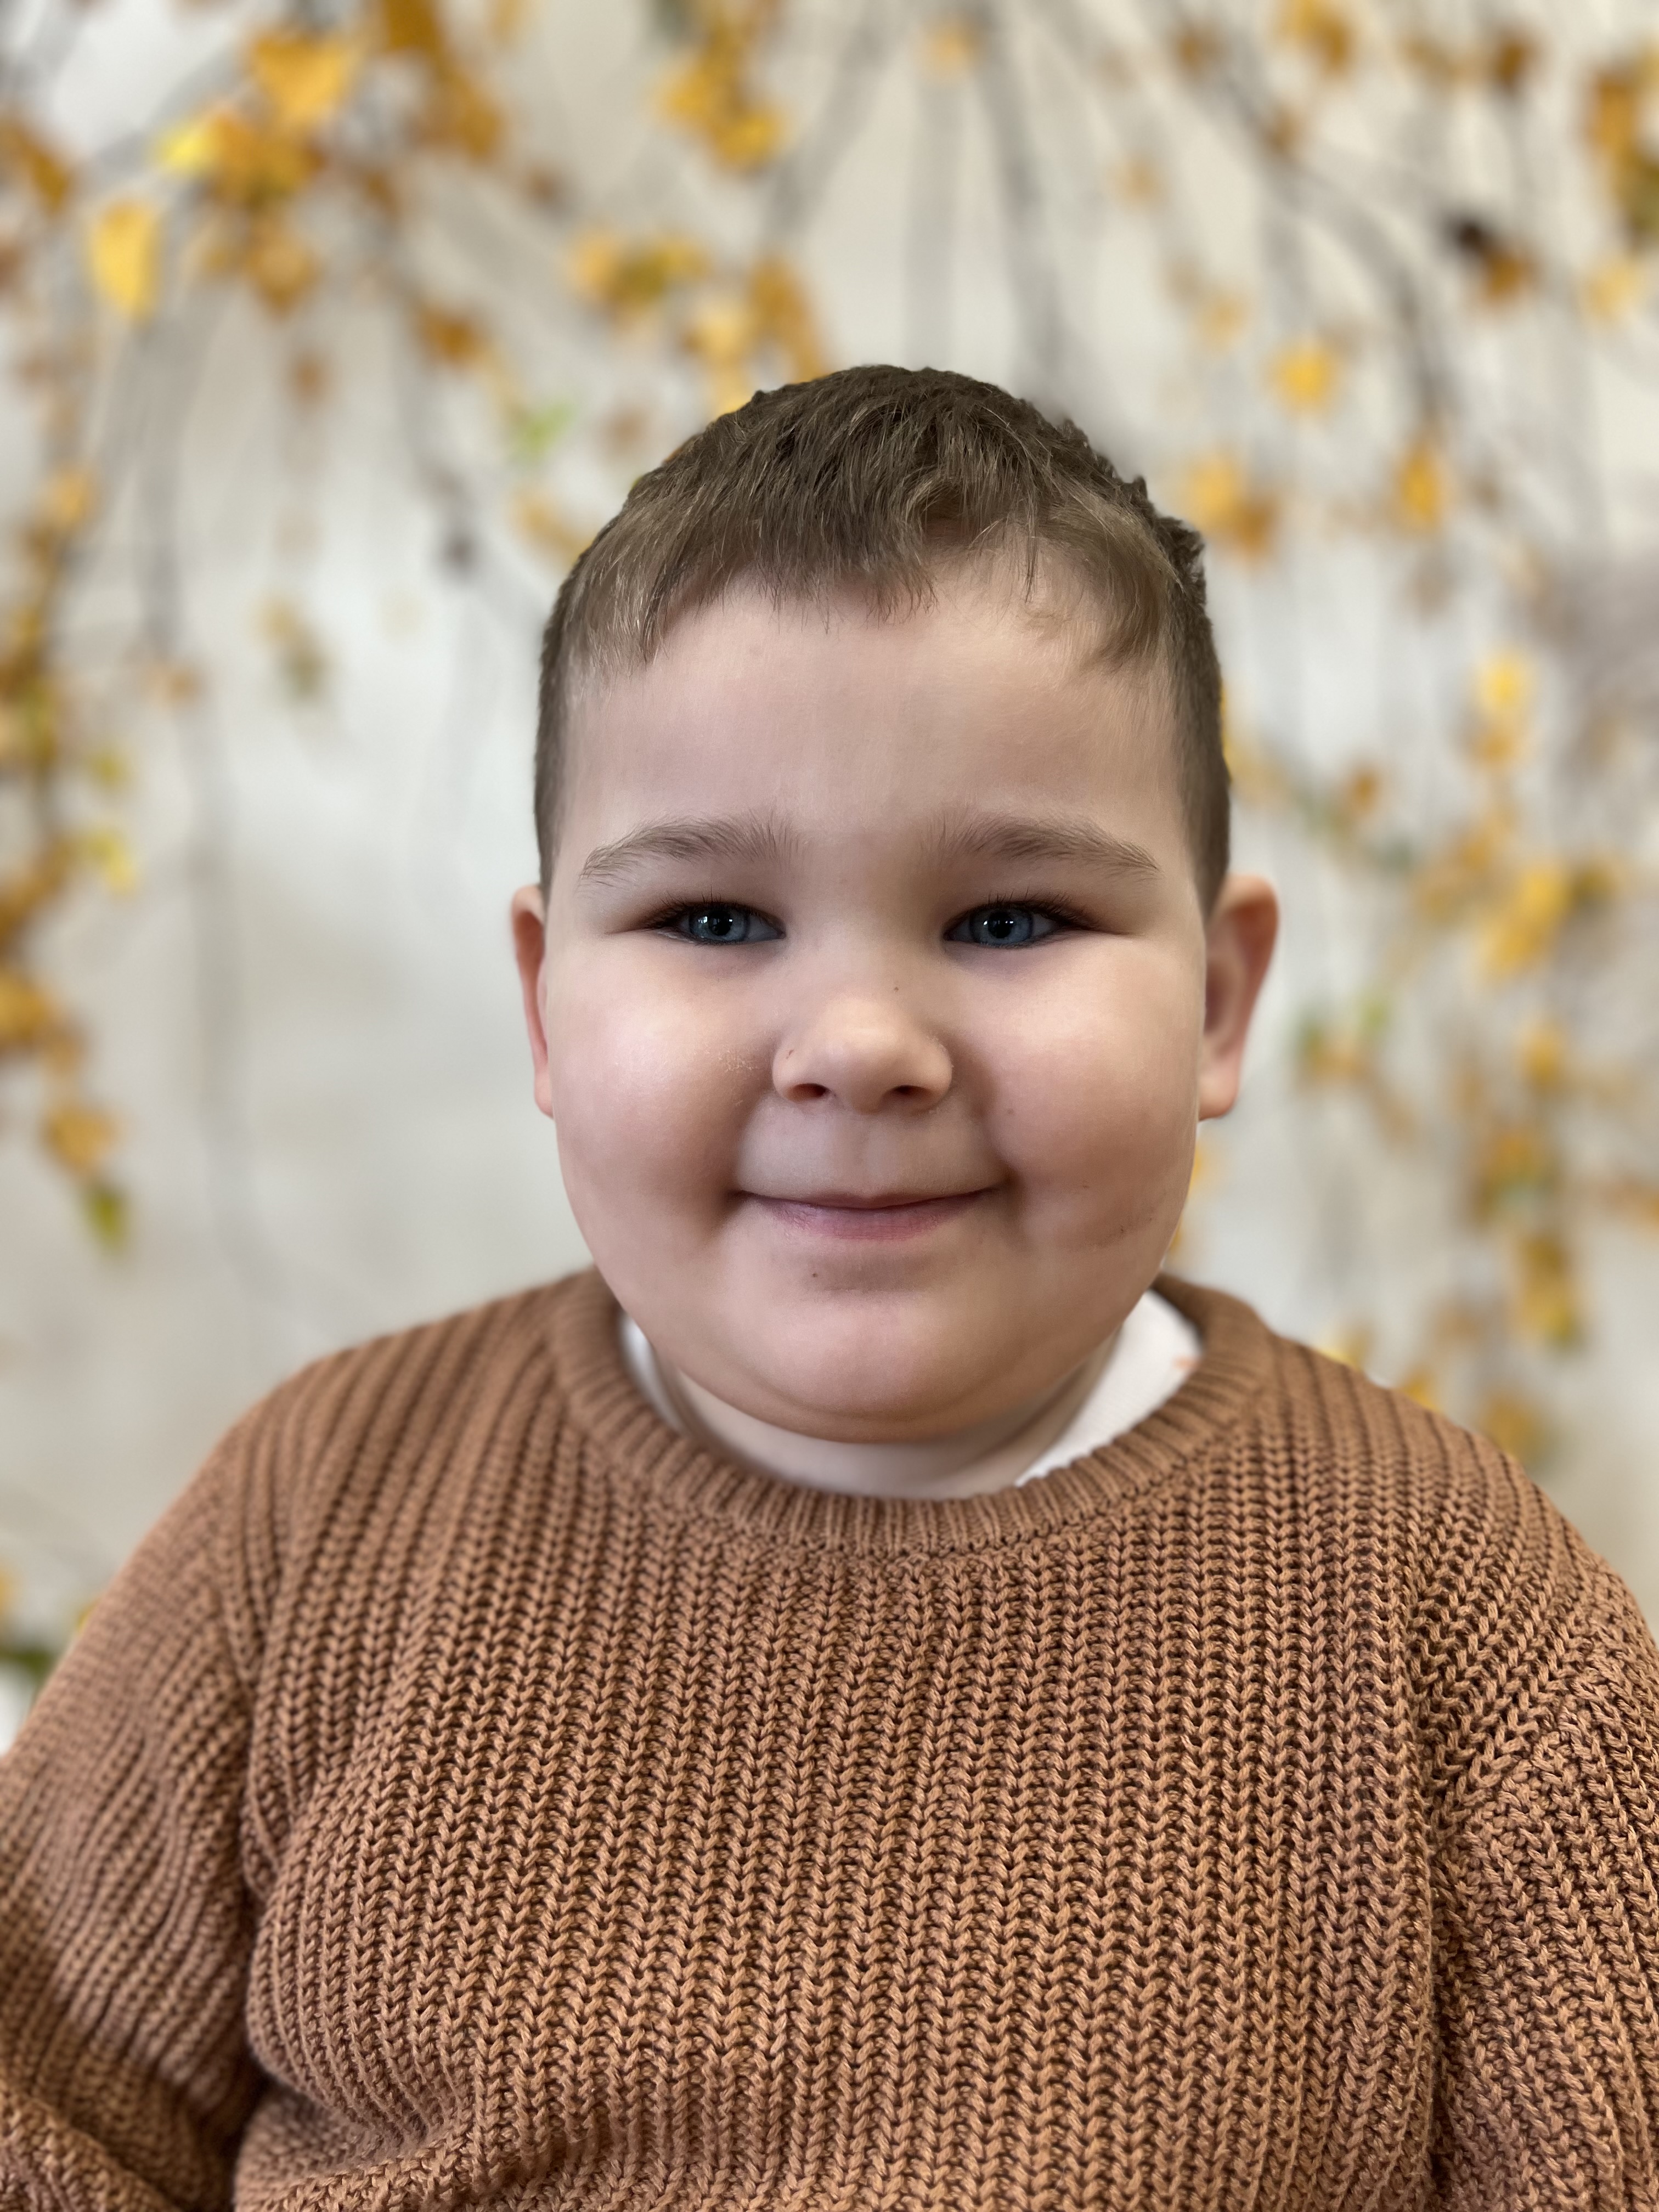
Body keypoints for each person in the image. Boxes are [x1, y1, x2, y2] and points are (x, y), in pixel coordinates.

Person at [3, 366, 1657, 2212]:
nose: (860, 1045)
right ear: (547, 1004)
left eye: (1010, 918)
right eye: (714, 920)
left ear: (1214, 1000)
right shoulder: (316, 1519)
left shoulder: (1450, 1615)